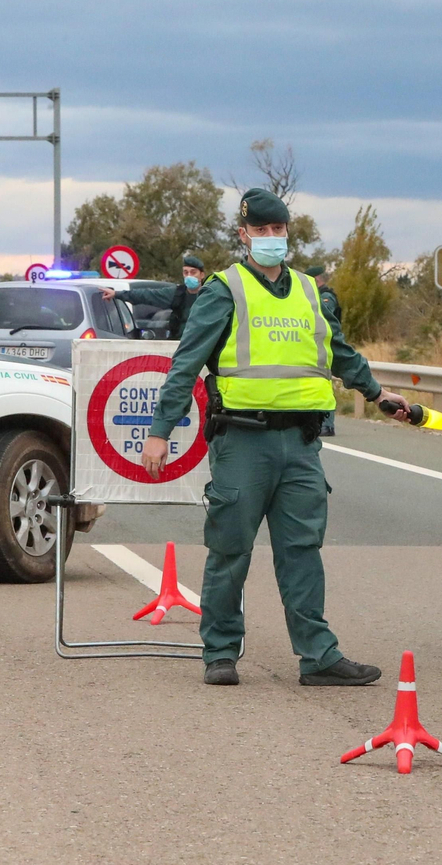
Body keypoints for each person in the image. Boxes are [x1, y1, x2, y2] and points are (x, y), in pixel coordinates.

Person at [140, 188, 418, 687]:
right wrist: (161, 430)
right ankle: (220, 652)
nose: (271, 237)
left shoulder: (310, 291)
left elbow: (338, 352)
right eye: (261, 230)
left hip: (302, 443)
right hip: (243, 441)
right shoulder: (224, 289)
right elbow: (186, 364)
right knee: (230, 550)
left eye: (278, 229)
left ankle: (318, 655)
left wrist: (377, 394)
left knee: (302, 551)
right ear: (244, 235)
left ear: (288, 231)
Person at [100, 254, 205, 340]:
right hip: (180, 344)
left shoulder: (209, 295)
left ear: (202, 275)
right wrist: (117, 294)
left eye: (193, 272)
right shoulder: (177, 294)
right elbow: (146, 295)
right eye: (186, 272)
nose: (189, 276)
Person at [306, 265, 342, 437]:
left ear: (316, 280)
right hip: (316, 346)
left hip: (326, 346)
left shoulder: (326, 297)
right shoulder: (316, 296)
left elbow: (323, 317)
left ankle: (327, 424)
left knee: (324, 384)